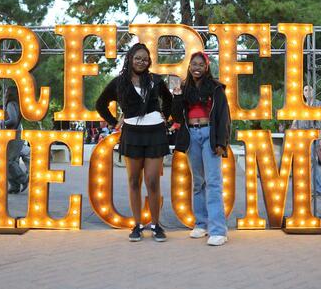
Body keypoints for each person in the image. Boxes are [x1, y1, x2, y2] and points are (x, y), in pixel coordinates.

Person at [95, 43, 173, 242]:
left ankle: (155, 225)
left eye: (145, 59)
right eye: (138, 57)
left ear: (149, 61)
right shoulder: (119, 82)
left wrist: (166, 116)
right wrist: (114, 123)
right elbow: (100, 104)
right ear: (130, 58)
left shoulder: (155, 80)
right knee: (133, 181)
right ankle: (137, 225)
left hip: (155, 132)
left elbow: (169, 100)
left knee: (153, 181)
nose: (141, 61)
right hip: (132, 134)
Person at [171, 52, 231, 246]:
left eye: (200, 64)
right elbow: (177, 118)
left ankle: (218, 230)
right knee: (198, 182)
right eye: (193, 64)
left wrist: (222, 142)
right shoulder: (184, 88)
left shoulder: (216, 88)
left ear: (206, 67)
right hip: (192, 136)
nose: (196, 67)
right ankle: (201, 224)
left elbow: (224, 116)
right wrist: (178, 96)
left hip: (210, 135)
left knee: (213, 182)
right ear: (189, 66)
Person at [291, 85, 321, 196]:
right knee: (306, 163)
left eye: (309, 89)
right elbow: (295, 121)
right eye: (305, 90)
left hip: (313, 137)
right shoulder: (301, 105)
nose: (307, 92)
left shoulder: (318, 104)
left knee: (312, 163)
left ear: (313, 91)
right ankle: (311, 188)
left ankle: (319, 189)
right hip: (302, 137)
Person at [3, 86, 28, 194]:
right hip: (16, 134)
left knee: (8, 161)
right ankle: (14, 186)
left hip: (13, 135)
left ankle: (23, 179)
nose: (4, 93)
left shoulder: (10, 104)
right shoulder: (18, 104)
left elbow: (12, 120)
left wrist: (0, 123)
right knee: (10, 161)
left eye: (5, 91)